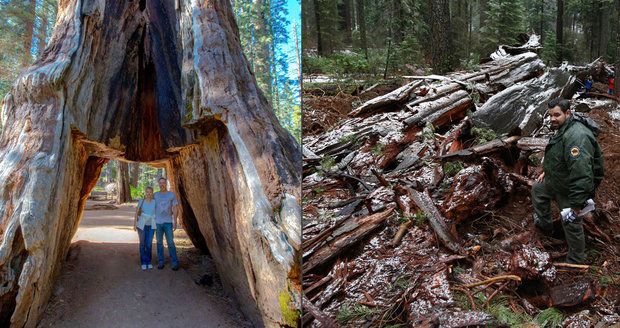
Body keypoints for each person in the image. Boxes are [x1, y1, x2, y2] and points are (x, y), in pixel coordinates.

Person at [531, 98, 604, 264]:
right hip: (557, 179)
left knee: (571, 222)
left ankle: (576, 260)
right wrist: (546, 171)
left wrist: (577, 203)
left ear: (568, 113)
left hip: (569, 188)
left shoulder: (577, 136)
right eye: (550, 115)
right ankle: (545, 225)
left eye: (557, 115)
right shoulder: (564, 127)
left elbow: (582, 173)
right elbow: (558, 153)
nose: (552, 119)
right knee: (538, 189)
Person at [154, 177, 180, 270]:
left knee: (170, 242)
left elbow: (175, 208)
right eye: (160, 183)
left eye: (163, 183)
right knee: (159, 243)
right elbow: (150, 206)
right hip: (158, 223)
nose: (162, 185)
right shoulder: (155, 195)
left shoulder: (171, 195)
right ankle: (160, 262)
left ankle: (174, 262)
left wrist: (175, 220)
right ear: (158, 184)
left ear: (166, 184)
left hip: (168, 222)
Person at [134, 186, 156, 270]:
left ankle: (148, 261)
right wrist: (134, 224)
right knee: (142, 243)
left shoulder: (154, 202)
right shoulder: (141, 201)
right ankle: (143, 261)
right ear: (145, 193)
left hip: (151, 225)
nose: (148, 193)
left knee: (149, 244)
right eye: (147, 192)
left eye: (150, 192)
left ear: (152, 193)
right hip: (141, 225)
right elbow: (136, 212)